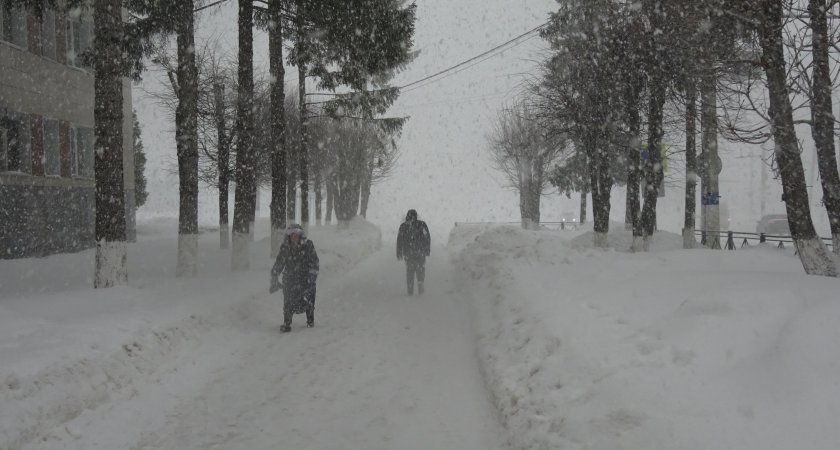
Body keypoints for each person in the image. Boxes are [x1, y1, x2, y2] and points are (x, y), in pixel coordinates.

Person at [270, 224, 319, 332]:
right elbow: (279, 263)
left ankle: (310, 320)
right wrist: (274, 276)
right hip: (290, 278)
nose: (294, 238)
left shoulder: (308, 245)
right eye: (292, 235)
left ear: (300, 236)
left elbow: (314, 262)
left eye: (296, 235)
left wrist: (311, 278)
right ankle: (287, 323)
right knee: (288, 301)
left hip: (305, 278)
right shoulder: (285, 247)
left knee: (308, 300)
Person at [396, 209, 431, 295]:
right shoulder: (422, 224)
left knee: (410, 270)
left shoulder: (403, 226)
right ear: (416, 216)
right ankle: (420, 283)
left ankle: (410, 288)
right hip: (420, 252)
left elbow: (400, 240)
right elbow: (427, 237)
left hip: (408, 253)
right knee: (421, 269)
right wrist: (427, 250)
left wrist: (399, 252)